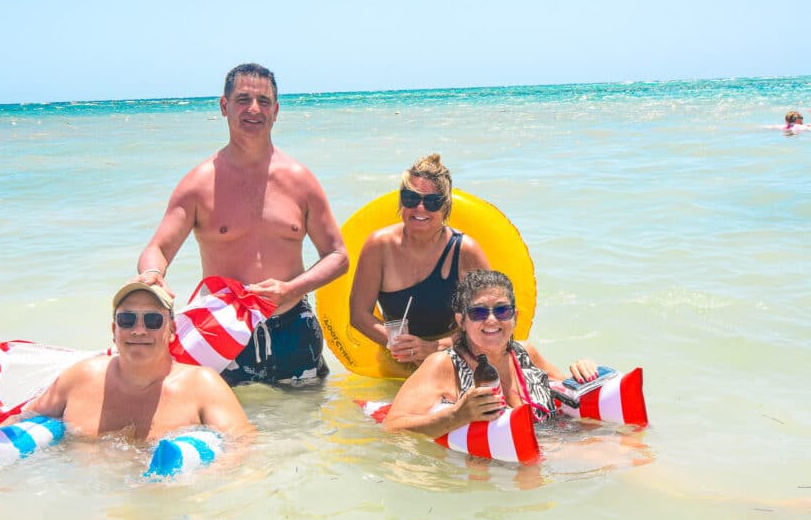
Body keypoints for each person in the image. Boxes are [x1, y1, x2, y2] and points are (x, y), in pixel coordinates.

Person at [135, 63, 349, 386]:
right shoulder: (198, 184)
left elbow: (338, 255)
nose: (254, 109)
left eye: (264, 101)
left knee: (306, 431)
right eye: (243, 99)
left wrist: (290, 289)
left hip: (295, 329)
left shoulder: (300, 181)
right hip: (222, 333)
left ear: (276, 111)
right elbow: (158, 249)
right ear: (224, 106)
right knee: (228, 432)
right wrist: (152, 275)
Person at [27, 281, 252, 441]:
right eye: (127, 319)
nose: (139, 330)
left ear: (172, 330)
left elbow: (244, 446)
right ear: (114, 329)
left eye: (153, 320)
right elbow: (22, 421)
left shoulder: (201, 384)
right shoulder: (80, 377)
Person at [384, 269, 596, 437]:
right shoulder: (443, 365)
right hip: (493, 470)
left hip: (551, 445)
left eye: (502, 310)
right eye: (479, 312)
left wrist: (582, 373)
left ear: (515, 317)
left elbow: (567, 394)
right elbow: (393, 426)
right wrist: (456, 416)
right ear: (461, 321)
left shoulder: (525, 353)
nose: (492, 320)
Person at [349, 153, 490, 365]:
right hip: (396, 355)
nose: (420, 208)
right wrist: (398, 343)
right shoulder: (379, 246)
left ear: (446, 206)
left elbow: (488, 320)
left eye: (432, 202)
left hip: (451, 355)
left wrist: (433, 348)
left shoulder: (465, 252)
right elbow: (359, 315)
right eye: (411, 198)